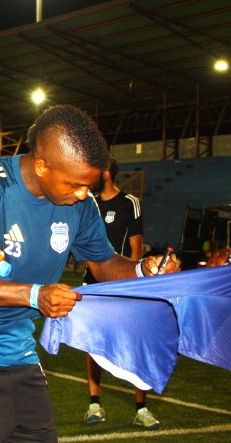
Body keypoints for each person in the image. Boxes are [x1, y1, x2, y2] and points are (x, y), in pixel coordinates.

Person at [0, 105, 178, 442]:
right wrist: (36, 295)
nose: (84, 194)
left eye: (89, 185)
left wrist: (144, 269)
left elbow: (103, 262)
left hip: (19, 353)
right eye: (76, 184)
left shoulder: (81, 205)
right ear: (42, 166)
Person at [81, 158, 158, 429]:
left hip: (125, 286)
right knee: (92, 344)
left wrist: (135, 285)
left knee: (136, 344)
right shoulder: (87, 203)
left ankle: (141, 408)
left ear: (105, 173)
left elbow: (137, 248)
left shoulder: (130, 203)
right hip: (93, 285)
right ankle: (94, 404)